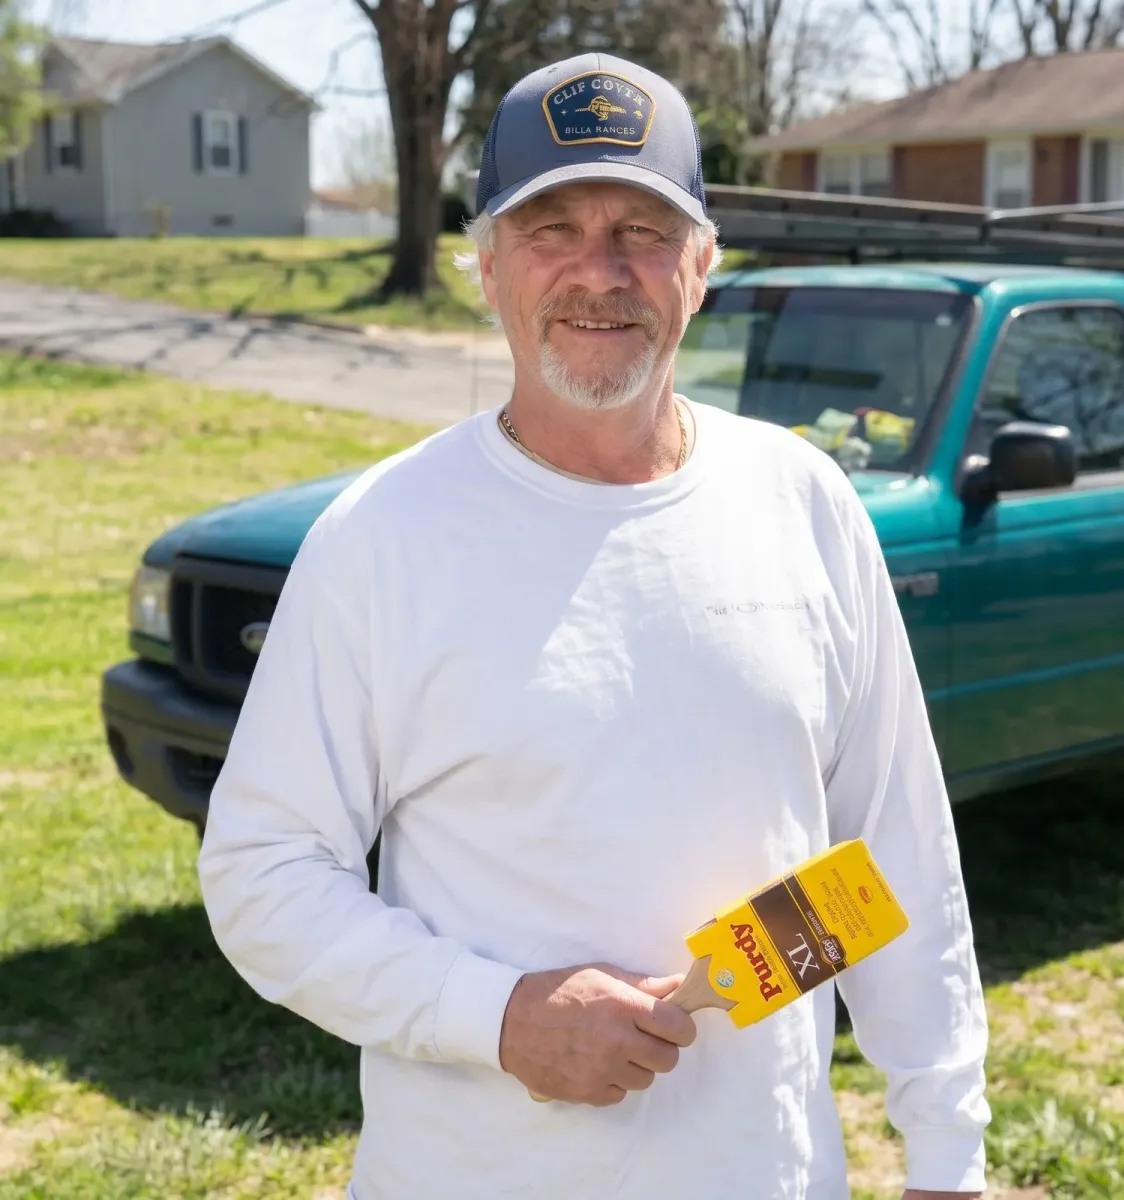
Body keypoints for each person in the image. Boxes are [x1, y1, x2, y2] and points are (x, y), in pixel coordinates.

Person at [197, 52, 991, 1200]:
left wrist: (947, 1153)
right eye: (551, 227)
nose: (599, 272)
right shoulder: (383, 538)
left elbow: (895, 851)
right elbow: (263, 872)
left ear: (703, 265)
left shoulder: (802, 502)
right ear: (484, 267)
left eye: (643, 229)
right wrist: (500, 1015)